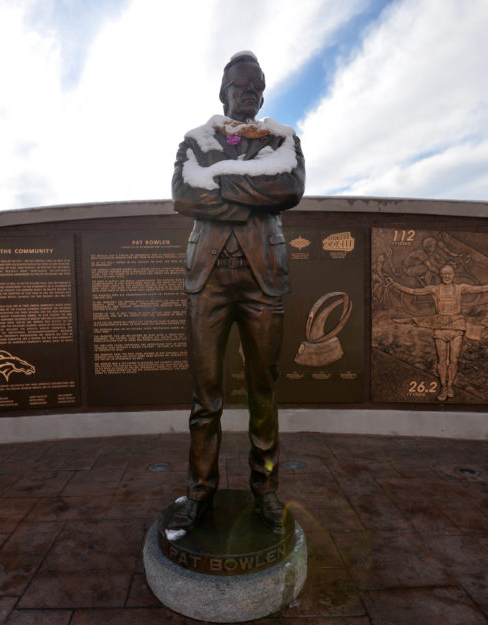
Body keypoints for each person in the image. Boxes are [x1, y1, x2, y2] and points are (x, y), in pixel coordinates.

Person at [170, 51, 305, 533]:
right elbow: (185, 197)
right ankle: (199, 492)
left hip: (262, 279)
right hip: (207, 279)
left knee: (263, 392)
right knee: (205, 398)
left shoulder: (282, 139)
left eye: (256, 85)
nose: (248, 92)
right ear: (223, 91)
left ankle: (266, 492)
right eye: (240, 84)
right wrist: (249, 192)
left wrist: (220, 186)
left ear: (263, 94)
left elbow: (288, 190)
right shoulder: (196, 140)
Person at [386, 265, 488, 401]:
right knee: (442, 361)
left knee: (454, 360)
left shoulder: (460, 288)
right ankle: (443, 387)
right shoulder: (434, 289)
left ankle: (450, 386)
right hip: (440, 328)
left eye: (449, 274)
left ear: (453, 275)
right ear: (441, 276)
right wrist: (394, 284)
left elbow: (482, 288)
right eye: (444, 274)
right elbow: (413, 291)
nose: (447, 276)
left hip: (456, 328)